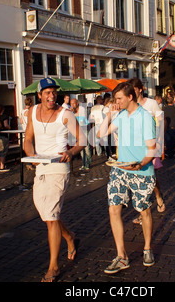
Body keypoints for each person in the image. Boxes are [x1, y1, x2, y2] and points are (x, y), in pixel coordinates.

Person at [23, 77, 86, 282]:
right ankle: (69, 236)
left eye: (53, 92)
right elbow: (28, 140)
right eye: (47, 92)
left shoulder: (65, 114)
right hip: (40, 167)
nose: (51, 96)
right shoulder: (33, 112)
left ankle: (53, 267)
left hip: (59, 168)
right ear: (39, 95)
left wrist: (71, 152)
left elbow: (82, 140)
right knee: (47, 213)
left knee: (50, 216)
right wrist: (31, 156)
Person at [97, 82, 157, 274]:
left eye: (119, 99)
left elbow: (152, 151)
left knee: (144, 210)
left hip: (140, 171)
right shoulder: (120, 115)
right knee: (113, 209)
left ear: (130, 97)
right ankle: (122, 256)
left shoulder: (145, 118)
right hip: (120, 170)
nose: (117, 102)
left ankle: (147, 247)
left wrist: (139, 164)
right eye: (115, 99)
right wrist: (108, 113)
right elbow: (100, 133)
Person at [128, 77, 165, 218]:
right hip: (135, 146)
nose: (131, 92)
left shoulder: (151, 103)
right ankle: (143, 212)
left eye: (134, 89)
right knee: (138, 177)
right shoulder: (129, 105)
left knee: (150, 177)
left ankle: (158, 196)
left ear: (140, 89)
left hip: (150, 144)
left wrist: (160, 140)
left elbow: (161, 121)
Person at [70, 98, 92, 171]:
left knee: (87, 148)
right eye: (71, 103)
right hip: (78, 131)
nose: (72, 105)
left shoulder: (82, 109)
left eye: (74, 103)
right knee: (81, 149)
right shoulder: (71, 111)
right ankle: (84, 164)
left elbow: (82, 121)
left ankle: (88, 164)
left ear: (77, 103)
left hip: (84, 129)